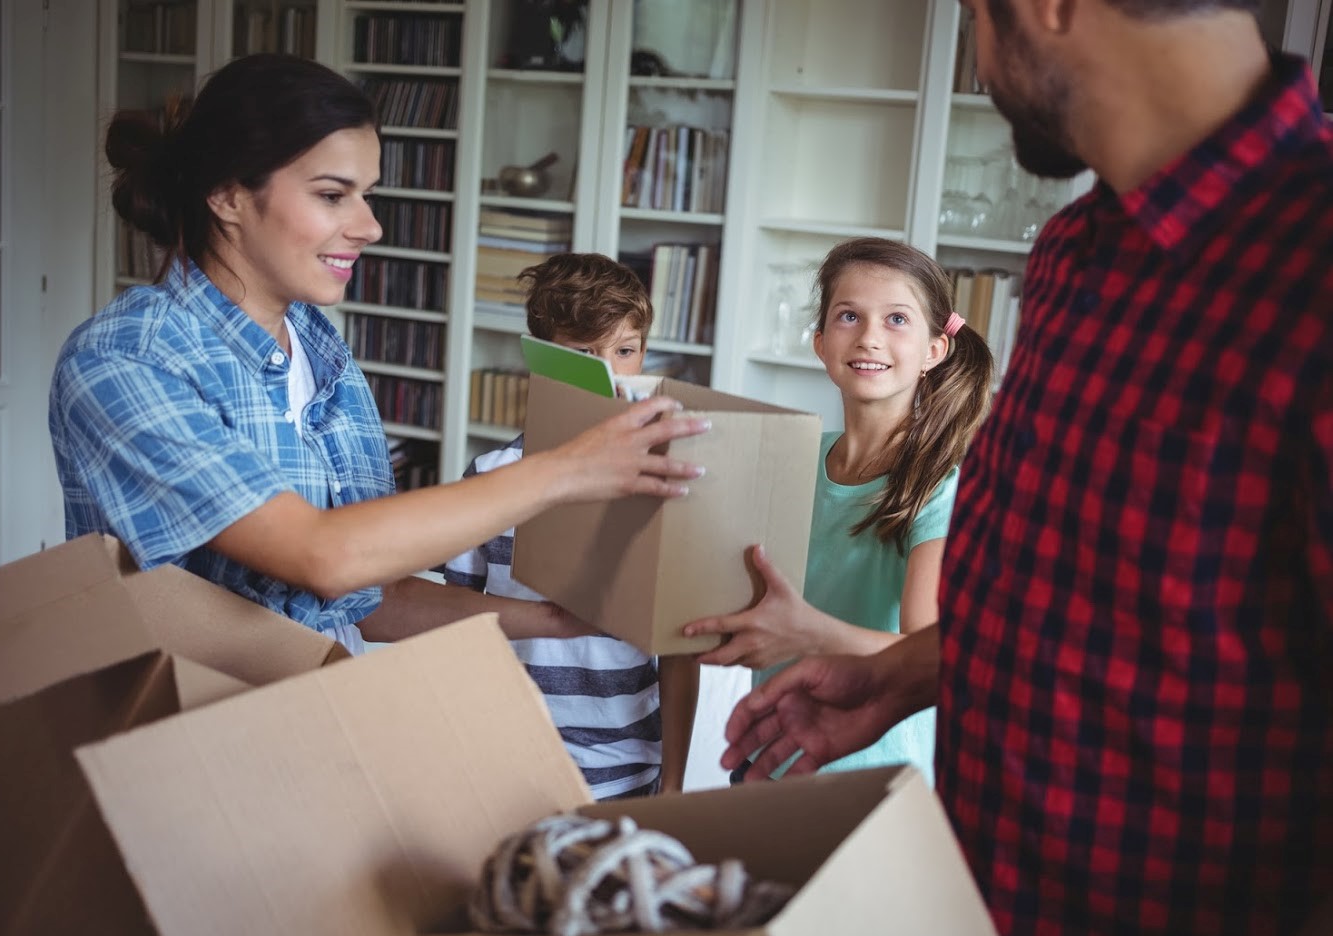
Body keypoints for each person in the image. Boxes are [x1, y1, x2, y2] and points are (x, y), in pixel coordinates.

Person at [721, 2, 1333, 936]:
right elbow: (1100, 607)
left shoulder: (1311, 262)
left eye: (971, 12)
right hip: (971, 914)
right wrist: (898, 673)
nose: (976, 54)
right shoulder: (1072, 252)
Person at [49, 54, 707, 654]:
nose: (370, 226)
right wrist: (566, 468)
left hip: (324, 711)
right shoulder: (126, 361)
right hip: (199, 736)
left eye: (368, 194)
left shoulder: (320, 351)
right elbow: (322, 556)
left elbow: (368, 596)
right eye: (333, 194)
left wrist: (559, 621)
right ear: (225, 195)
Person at [686, 238, 992, 785]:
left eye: (897, 319)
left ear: (934, 351)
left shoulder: (940, 489)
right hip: (768, 755)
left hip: (868, 775)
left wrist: (809, 633)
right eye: (849, 315)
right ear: (821, 343)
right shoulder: (789, 458)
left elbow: (934, 651)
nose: (870, 336)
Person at [441, 253, 700, 799]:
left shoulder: (664, 483)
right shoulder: (491, 478)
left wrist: (673, 782)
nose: (608, 374)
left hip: (628, 764)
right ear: (541, 361)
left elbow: (679, 650)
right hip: (508, 759)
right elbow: (455, 628)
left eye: (625, 352)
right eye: (583, 354)